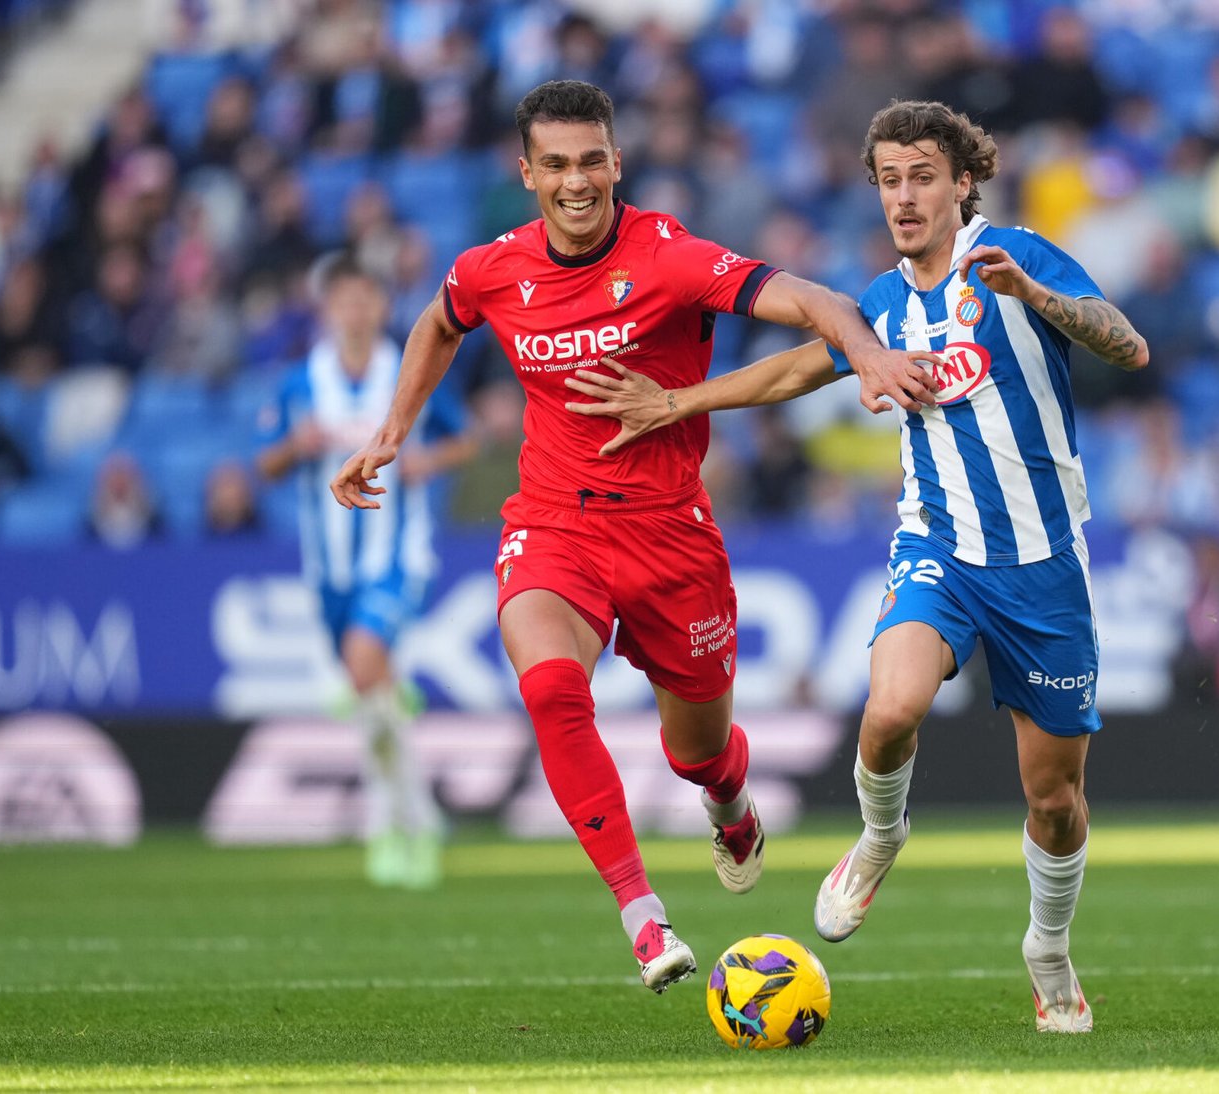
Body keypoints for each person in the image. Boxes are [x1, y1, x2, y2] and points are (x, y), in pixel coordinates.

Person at [328, 81, 932, 993]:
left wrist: (871, 353)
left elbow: (815, 302)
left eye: (592, 161)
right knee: (551, 688)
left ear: (618, 162)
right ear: (526, 173)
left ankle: (729, 805)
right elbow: (438, 324)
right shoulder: (492, 267)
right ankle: (643, 916)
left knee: (698, 750)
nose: (578, 182)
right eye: (558, 165)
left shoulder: (670, 258)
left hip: (669, 536)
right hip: (553, 524)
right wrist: (392, 430)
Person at [564, 99, 1150, 1031]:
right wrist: (677, 403)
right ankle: (881, 837)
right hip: (939, 552)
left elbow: (1129, 341)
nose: (905, 197)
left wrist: (1033, 299)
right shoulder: (879, 305)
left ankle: (1047, 947)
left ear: (963, 182)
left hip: (1044, 566)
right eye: (889, 180)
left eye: (923, 177)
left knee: (1056, 800)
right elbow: (800, 368)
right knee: (888, 712)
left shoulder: (1020, 256)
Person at [259, 255, 476, 889]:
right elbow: (263, 465)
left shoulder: (407, 370)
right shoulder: (301, 382)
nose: (355, 312)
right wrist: (294, 448)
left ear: (382, 308)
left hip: (395, 556)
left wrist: (427, 462)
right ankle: (422, 817)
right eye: (343, 302)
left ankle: (386, 825)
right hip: (328, 568)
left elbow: (463, 438)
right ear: (328, 311)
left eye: (365, 300)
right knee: (375, 699)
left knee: (363, 663)